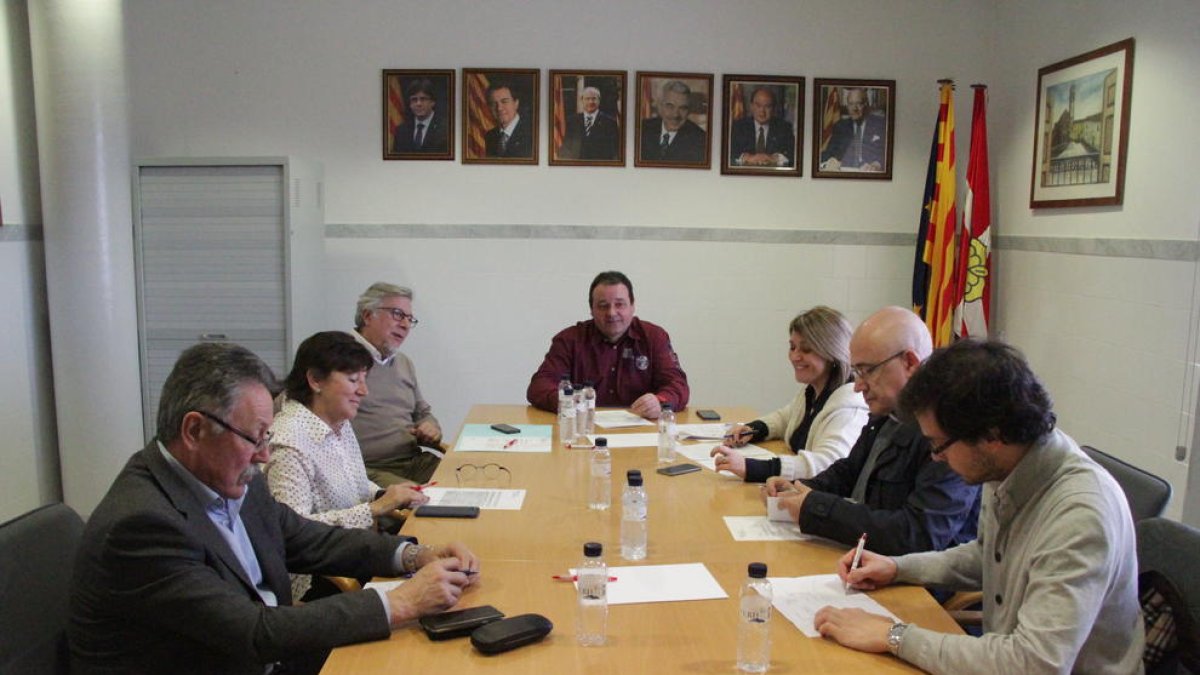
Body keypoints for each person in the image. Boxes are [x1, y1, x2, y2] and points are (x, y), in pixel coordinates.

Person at [68, 342, 479, 675]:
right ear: (194, 430)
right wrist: (402, 602)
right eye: (256, 438)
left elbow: (306, 537)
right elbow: (252, 631)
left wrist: (412, 555)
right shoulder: (142, 524)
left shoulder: (226, 475)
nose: (265, 454)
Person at [815, 339, 1143, 674]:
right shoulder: (1007, 465)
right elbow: (986, 555)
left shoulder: (1080, 516)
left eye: (940, 445)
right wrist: (897, 567)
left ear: (992, 435)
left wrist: (894, 635)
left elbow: (1035, 664)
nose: (936, 458)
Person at [763, 306, 980, 555]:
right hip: (867, 558)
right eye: (857, 372)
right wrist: (800, 487)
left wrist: (815, 506)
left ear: (909, 362)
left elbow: (919, 535)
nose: (858, 386)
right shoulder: (888, 412)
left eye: (868, 371)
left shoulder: (946, 430)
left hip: (915, 583)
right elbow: (849, 471)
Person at [266, 331, 430, 602]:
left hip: (359, 551)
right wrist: (374, 509)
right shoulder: (288, 442)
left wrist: (383, 493)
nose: (363, 391)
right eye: (354, 380)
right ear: (315, 380)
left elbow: (354, 482)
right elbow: (294, 531)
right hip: (320, 578)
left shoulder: (338, 420)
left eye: (364, 379)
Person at [711, 307, 868, 482]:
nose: (795, 357)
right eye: (792, 347)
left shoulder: (850, 408)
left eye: (806, 350)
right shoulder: (813, 390)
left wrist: (750, 467)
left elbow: (827, 465)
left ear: (832, 353)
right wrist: (753, 430)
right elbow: (785, 418)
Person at [526, 270, 689, 420]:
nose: (611, 313)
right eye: (603, 306)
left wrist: (660, 401)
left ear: (633, 306)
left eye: (619, 304)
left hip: (640, 430)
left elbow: (678, 385)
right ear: (591, 309)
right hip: (584, 427)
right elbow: (539, 386)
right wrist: (567, 400)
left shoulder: (654, 337)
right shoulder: (569, 340)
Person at [349, 282, 443, 486]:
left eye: (410, 319)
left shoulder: (403, 363)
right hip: (367, 469)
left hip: (413, 461)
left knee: (472, 479)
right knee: (426, 500)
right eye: (398, 314)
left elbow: (423, 413)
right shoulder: (339, 357)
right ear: (367, 315)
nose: (405, 325)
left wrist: (430, 426)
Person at [639, 79, 707, 163]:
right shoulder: (642, 128)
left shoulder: (701, 140)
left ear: (689, 110)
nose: (676, 115)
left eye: (682, 108)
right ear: (660, 106)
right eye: (670, 106)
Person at [819, 87, 886, 172]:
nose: (854, 108)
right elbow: (829, 152)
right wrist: (831, 160)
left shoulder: (880, 124)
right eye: (851, 104)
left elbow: (886, 152)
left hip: (868, 174)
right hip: (846, 172)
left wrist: (877, 164)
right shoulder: (840, 126)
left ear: (866, 104)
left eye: (859, 104)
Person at [729, 87, 795, 167]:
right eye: (758, 105)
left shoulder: (785, 128)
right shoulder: (738, 127)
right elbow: (729, 155)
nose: (762, 111)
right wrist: (746, 158)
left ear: (773, 108)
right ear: (751, 106)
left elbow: (792, 157)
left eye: (767, 106)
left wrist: (775, 158)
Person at [560, 86, 620, 160]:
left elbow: (614, 151)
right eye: (587, 99)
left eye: (594, 99)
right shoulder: (572, 121)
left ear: (599, 100)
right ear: (582, 100)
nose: (590, 102)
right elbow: (566, 147)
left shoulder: (610, 122)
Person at [391, 78, 449, 154]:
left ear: (433, 102)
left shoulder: (446, 130)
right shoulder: (401, 131)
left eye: (423, 99)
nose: (418, 104)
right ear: (410, 104)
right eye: (414, 100)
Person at [483, 81, 532, 158]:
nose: (499, 108)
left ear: (516, 103)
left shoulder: (531, 133)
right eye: (493, 103)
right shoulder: (490, 137)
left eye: (504, 101)